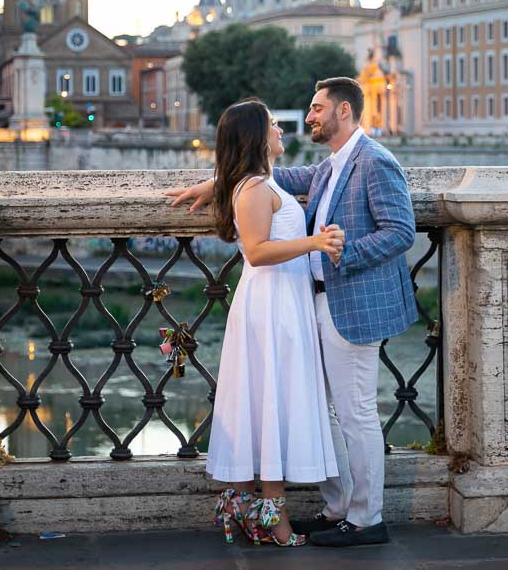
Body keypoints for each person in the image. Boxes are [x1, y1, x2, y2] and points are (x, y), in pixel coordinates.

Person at [168, 78, 417, 548]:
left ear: (344, 111)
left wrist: (340, 255)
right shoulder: (329, 166)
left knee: (357, 412)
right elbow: (266, 180)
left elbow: (401, 231)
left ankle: (367, 519)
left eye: (317, 109)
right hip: (313, 304)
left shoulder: (376, 162)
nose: (309, 117)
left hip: (354, 302)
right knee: (325, 411)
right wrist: (215, 181)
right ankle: (340, 507)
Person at [203, 99, 342, 547]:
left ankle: (247, 505)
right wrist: (315, 242)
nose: (282, 130)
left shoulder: (261, 183)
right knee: (272, 398)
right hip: (271, 304)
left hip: (281, 301)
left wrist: (211, 185)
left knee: (268, 399)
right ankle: (272, 515)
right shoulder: (256, 188)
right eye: (273, 125)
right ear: (255, 137)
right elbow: (259, 251)